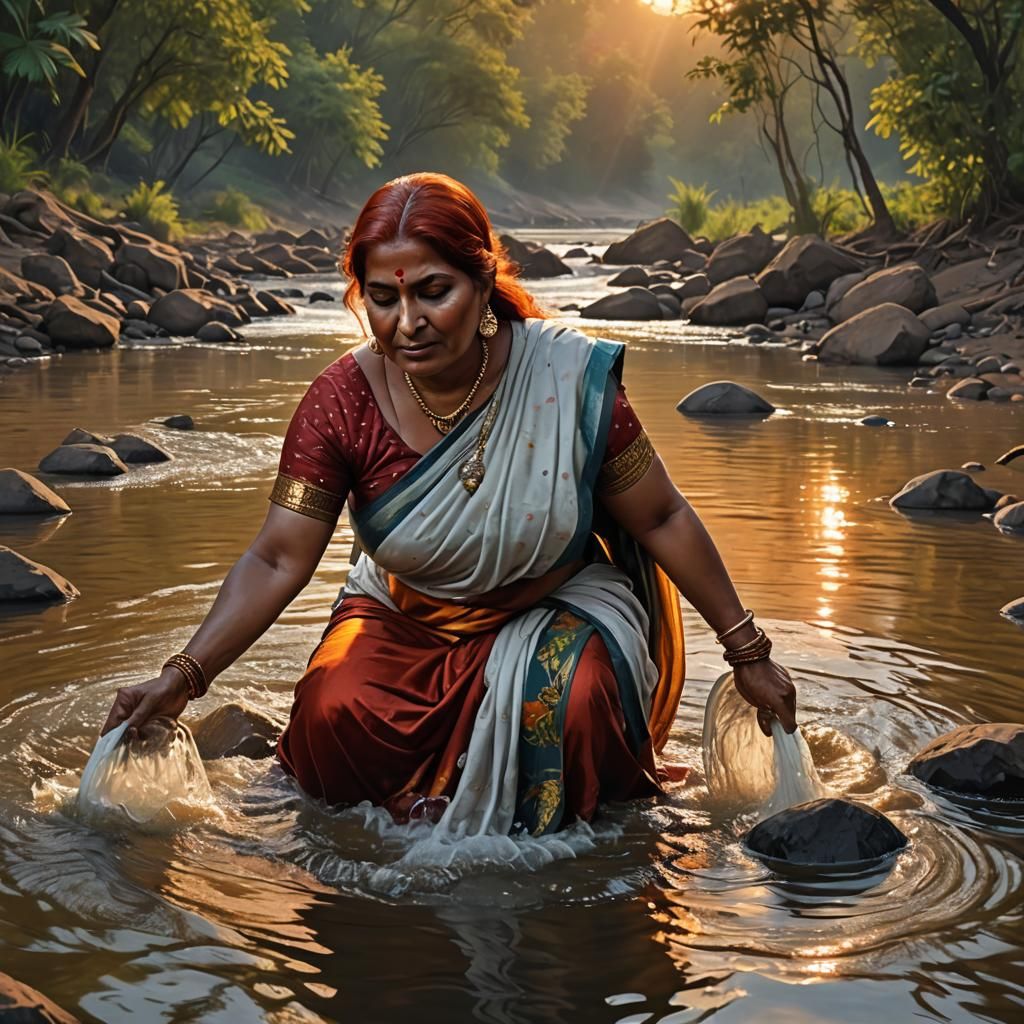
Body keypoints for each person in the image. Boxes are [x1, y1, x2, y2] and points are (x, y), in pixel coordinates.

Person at [101, 172, 796, 837]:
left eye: (434, 291)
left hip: (551, 606)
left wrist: (748, 653)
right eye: (381, 298)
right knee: (329, 708)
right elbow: (279, 556)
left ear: (485, 280)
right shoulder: (340, 404)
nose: (408, 323)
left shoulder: (565, 382)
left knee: (576, 702)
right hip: (404, 611)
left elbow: (662, 516)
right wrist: (183, 678)